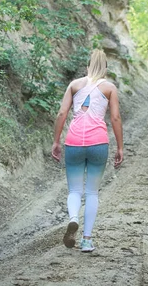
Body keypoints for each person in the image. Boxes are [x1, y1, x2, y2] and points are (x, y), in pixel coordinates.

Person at [51, 49, 124, 253]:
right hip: (98, 143)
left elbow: (62, 113)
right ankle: (86, 240)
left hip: (73, 142)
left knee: (75, 190)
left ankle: (73, 218)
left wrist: (56, 141)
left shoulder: (74, 85)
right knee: (92, 192)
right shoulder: (109, 88)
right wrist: (120, 147)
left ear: (87, 67)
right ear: (106, 69)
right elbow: (116, 118)